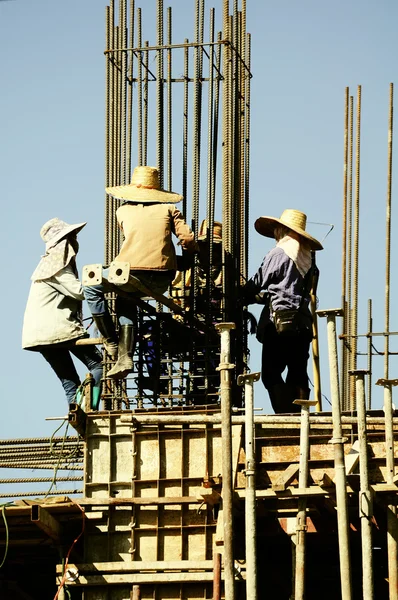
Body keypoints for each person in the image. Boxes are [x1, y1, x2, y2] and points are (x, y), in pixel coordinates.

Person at [83, 165, 198, 380]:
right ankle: (125, 357)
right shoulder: (170, 209)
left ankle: (110, 340)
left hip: (129, 273)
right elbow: (189, 240)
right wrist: (185, 260)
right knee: (126, 299)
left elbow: (134, 237)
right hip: (163, 278)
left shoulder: (122, 211)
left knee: (90, 285)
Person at [243, 209, 322, 414]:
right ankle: (301, 417)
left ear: (283, 229)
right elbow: (294, 289)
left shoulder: (280, 252)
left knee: (271, 373)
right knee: (297, 372)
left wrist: (241, 293)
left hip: (279, 322)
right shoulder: (308, 258)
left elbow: (259, 281)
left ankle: (286, 415)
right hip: (303, 323)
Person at [22, 218, 103, 408]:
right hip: (58, 331)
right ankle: (90, 410)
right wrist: (105, 284)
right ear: (63, 242)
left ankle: (78, 416)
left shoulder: (44, 267)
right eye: (71, 237)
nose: (75, 241)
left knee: (69, 382)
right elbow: (81, 291)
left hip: (39, 336)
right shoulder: (57, 266)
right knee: (100, 365)